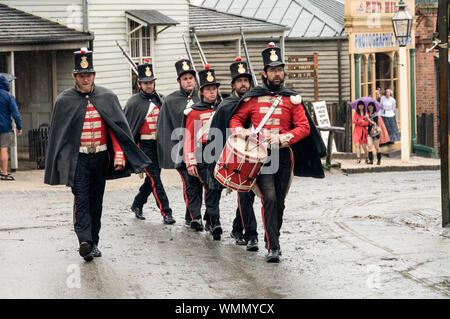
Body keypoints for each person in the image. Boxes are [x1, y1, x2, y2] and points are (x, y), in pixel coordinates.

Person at [44, 48, 150, 262]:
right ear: (75, 76)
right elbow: (60, 135)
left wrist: (120, 155)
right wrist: (63, 161)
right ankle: (84, 241)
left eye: (89, 74)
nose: (85, 78)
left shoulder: (107, 96)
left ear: (94, 76)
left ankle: (95, 242)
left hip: (101, 157)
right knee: (81, 199)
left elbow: (117, 129)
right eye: (81, 75)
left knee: (96, 201)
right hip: (79, 160)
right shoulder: (65, 100)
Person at [229, 43, 326, 262]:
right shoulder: (253, 98)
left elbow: (304, 127)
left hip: (283, 155)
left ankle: (272, 236)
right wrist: (242, 132)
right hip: (261, 155)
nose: (276, 73)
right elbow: (235, 119)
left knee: (279, 201)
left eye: (279, 69)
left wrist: (283, 138)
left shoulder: (292, 99)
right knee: (269, 197)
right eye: (272, 70)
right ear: (264, 73)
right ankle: (273, 245)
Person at [208, 57, 258, 251]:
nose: (243, 84)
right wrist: (216, 160)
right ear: (233, 84)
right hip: (233, 157)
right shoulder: (226, 106)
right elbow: (216, 134)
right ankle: (251, 235)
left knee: (249, 197)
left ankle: (238, 228)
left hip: (256, 156)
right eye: (239, 81)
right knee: (244, 196)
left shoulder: (256, 103)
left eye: (246, 80)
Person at [124, 60, 175, 224]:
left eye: (151, 82)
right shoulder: (133, 103)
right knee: (156, 180)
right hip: (144, 146)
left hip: (158, 145)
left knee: (152, 179)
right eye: (145, 83)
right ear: (139, 84)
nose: (148, 86)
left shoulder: (161, 100)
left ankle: (137, 204)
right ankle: (166, 212)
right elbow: (128, 128)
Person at [156, 58, 204, 230]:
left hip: (203, 150)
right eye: (185, 78)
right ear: (179, 81)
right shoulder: (170, 101)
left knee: (199, 184)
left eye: (191, 77)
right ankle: (196, 217)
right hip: (181, 150)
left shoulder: (203, 96)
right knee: (190, 183)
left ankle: (189, 215)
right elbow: (164, 128)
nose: (189, 81)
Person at [184, 65, 223, 240]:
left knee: (216, 188)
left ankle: (210, 218)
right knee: (211, 187)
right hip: (203, 152)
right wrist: (190, 161)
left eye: (214, 89)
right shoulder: (194, 112)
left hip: (219, 152)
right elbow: (189, 138)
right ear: (202, 92)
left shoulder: (221, 108)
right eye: (208, 89)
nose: (212, 92)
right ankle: (215, 222)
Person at [0, 74, 22, 181]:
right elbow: (15, 113)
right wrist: (19, 126)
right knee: (3, 149)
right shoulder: (8, 96)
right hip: (5, 127)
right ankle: (4, 173)